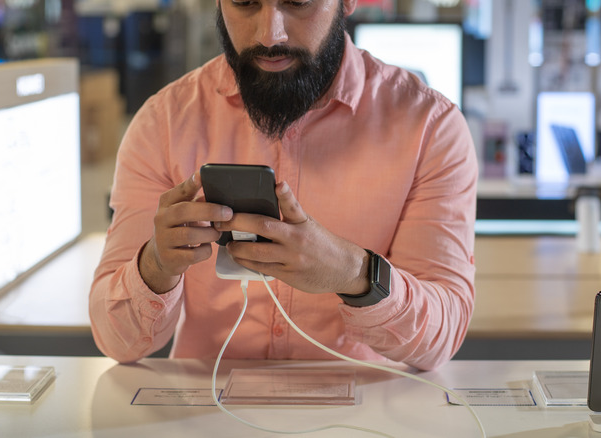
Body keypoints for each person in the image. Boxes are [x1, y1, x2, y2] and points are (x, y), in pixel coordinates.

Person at [89, 0, 477, 371]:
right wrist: (156, 265)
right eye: (244, 3)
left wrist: (352, 273)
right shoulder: (165, 122)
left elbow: (439, 340)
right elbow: (116, 342)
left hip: (365, 407)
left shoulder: (430, 128)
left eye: (298, 2)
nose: (270, 35)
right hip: (206, 406)